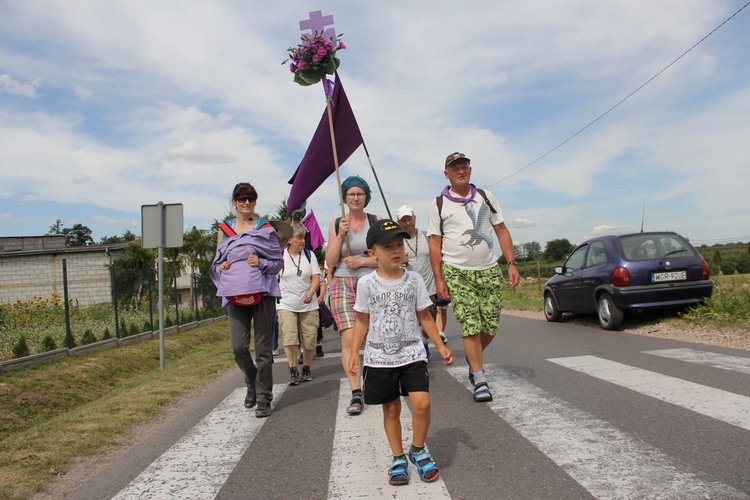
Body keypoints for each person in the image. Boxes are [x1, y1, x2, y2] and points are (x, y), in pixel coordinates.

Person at [348, 219, 453, 486]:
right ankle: (397, 457)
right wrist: (353, 353)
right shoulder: (367, 284)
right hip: (379, 357)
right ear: (372, 253)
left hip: (412, 354)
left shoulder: (414, 280)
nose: (395, 251)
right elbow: (362, 320)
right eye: (387, 247)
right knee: (391, 409)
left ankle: (417, 449)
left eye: (399, 244)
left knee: (422, 403)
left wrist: (440, 345)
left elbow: (425, 316)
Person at [427, 152, 520, 404]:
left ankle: (473, 358)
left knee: (489, 327)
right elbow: (434, 243)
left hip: (489, 270)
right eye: (455, 168)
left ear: (470, 170)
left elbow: (501, 230)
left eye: (464, 166)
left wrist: (511, 263)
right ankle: (479, 377)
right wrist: (439, 279)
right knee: (471, 326)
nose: (460, 170)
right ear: (446, 174)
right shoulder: (439, 204)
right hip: (457, 271)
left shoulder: (486, 197)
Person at [210, 182, 283, 418]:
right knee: (238, 347)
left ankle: (264, 397)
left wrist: (259, 262)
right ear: (234, 202)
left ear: (255, 202)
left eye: (250, 198)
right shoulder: (224, 229)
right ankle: (251, 381)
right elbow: (217, 259)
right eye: (241, 199)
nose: (246, 202)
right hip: (234, 293)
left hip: (262, 295)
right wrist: (220, 266)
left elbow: (276, 262)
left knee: (263, 349)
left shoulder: (265, 228)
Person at [326, 175, 381, 415]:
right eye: (351, 194)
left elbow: (387, 257)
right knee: (349, 340)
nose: (355, 197)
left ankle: (377, 381)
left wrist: (362, 261)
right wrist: (339, 235)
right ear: (345, 198)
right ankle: (356, 392)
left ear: (366, 196)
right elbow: (329, 261)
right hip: (342, 283)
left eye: (359, 194)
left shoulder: (377, 221)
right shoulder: (337, 222)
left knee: (375, 337)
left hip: (372, 283)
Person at [395, 204, 446, 357]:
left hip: (428, 289)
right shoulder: (397, 242)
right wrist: (399, 261)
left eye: (409, 219)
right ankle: (414, 350)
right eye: (403, 220)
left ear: (414, 218)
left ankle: (423, 341)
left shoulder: (427, 237)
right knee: (408, 323)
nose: (407, 223)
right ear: (399, 222)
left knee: (427, 324)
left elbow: (439, 259)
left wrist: (441, 281)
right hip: (406, 290)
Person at [277, 225, 320, 385]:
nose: (302, 241)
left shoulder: (309, 255)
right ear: (289, 240)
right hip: (286, 303)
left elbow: (316, 277)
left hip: (308, 304)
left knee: (309, 340)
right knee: (290, 338)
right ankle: (293, 369)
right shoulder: (280, 256)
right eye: (299, 238)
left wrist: (312, 291)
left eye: (303, 238)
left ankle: (306, 367)